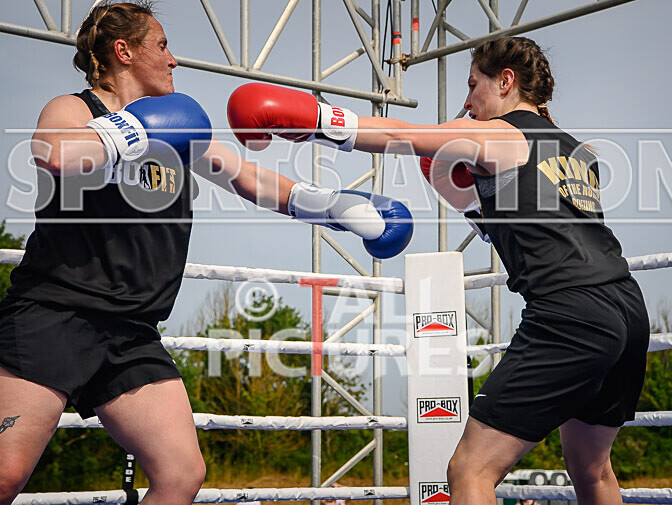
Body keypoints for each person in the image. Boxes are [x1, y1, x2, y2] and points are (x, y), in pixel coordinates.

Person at [0, 2, 412, 504]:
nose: (175, 60)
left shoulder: (181, 130)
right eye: (163, 46)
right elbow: (55, 154)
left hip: (131, 331)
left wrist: (338, 207)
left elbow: (251, 179)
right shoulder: (76, 110)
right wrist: (132, 131)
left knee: (181, 474)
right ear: (123, 52)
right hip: (57, 315)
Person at [226, 36, 650, 505]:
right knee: (592, 470)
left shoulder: (500, 134)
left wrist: (318, 121)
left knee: (470, 469)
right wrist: (472, 202)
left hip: (570, 311)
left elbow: (399, 135)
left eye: (474, 85)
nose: (467, 101)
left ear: (505, 81)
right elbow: (538, 227)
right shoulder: (575, 151)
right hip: (627, 308)